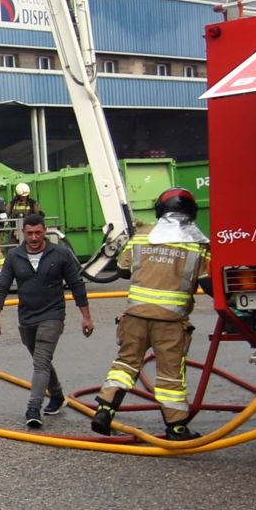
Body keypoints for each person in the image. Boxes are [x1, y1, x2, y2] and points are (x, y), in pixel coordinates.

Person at [90, 187, 211, 441]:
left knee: (125, 364)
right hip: (170, 322)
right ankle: (177, 428)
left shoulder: (142, 236)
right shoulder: (198, 244)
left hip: (134, 316)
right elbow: (208, 283)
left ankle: (104, 409)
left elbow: (123, 270)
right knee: (170, 375)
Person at [0, 212, 95, 429]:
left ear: (45, 232)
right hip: (27, 317)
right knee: (42, 361)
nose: (34, 238)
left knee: (40, 361)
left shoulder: (60, 254)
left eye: (38, 233)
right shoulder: (14, 256)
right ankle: (57, 396)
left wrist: (86, 317)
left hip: (52, 315)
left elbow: (76, 285)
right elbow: (2, 287)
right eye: (30, 234)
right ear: (23, 233)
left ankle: (33, 407)